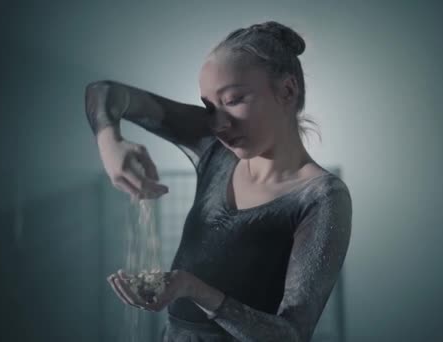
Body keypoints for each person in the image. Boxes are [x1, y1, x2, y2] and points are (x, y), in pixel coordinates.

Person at [85, 21, 352, 342]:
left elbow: (290, 336)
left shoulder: (320, 197)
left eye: (234, 99)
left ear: (287, 90)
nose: (220, 123)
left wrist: (192, 288)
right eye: (209, 107)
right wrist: (110, 143)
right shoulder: (213, 147)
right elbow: (105, 93)